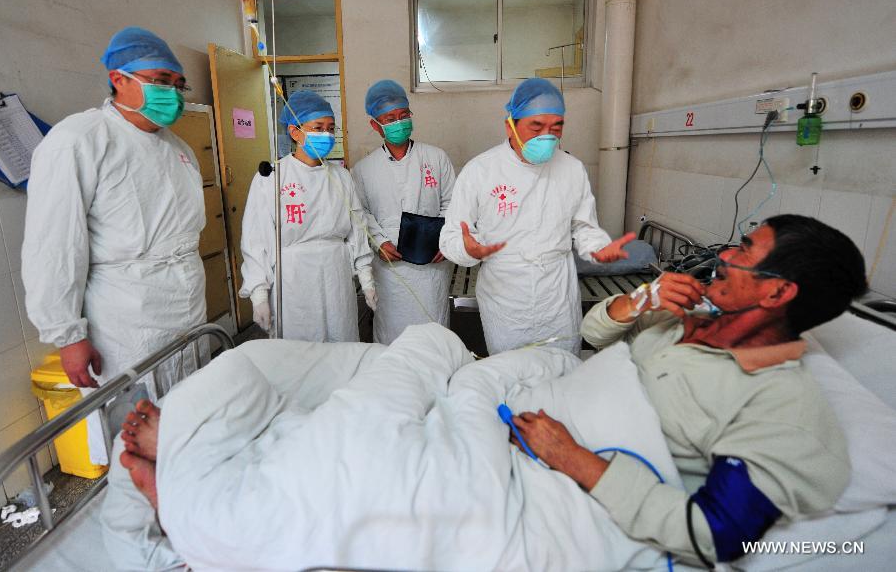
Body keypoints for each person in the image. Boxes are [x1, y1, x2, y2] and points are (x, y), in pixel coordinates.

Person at [509, 215, 866, 566]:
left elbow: (717, 532)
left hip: (557, 478)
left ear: (777, 291)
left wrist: (569, 456)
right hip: (534, 418)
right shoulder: (687, 314)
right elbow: (593, 333)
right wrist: (642, 299)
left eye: (744, 251)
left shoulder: (780, 404)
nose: (724, 256)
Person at [22, 26, 206, 465]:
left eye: (178, 84)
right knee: (135, 429)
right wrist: (66, 334)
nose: (173, 94)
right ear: (118, 78)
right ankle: (134, 506)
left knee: (184, 418)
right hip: (126, 315)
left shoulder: (180, 150)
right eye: (161, 80)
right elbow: (55, 244)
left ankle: (185, 499)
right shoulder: (79, 140)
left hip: (184, 303)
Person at [439, 78, 634, 356]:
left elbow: (583, 226)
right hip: (505, 297)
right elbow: (451, 237)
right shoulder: (480, 171)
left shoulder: (572, 169)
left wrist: (599, 249)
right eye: (536, 126)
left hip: (557, 295)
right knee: (511, 373)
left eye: (556, 127)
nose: (547, 136)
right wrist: (467, 249)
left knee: (562, 368)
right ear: (510, 125)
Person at [239, 90, 375, 342]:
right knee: (298, 352)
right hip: (293, 279)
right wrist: (259, 294)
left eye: (330, 128)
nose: (325, 134)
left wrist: (366, 278)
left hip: (336, 276)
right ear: (295, 132)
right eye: (318, 127)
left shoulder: (342, 177)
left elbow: (357, 228)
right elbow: (255, 239)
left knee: (340, 344)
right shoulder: (272, 178)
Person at [351, 80, 456, 344]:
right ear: (375, 125)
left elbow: (453, 203)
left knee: (434, 336)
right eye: (390, 118)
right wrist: (378, 242)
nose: (399, 122)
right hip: (390, 270)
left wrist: (447, 240)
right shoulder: (364, 170)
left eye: (404, 115)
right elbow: (360, 213)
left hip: (432, 266)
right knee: (392, 339)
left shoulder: (436, 158)